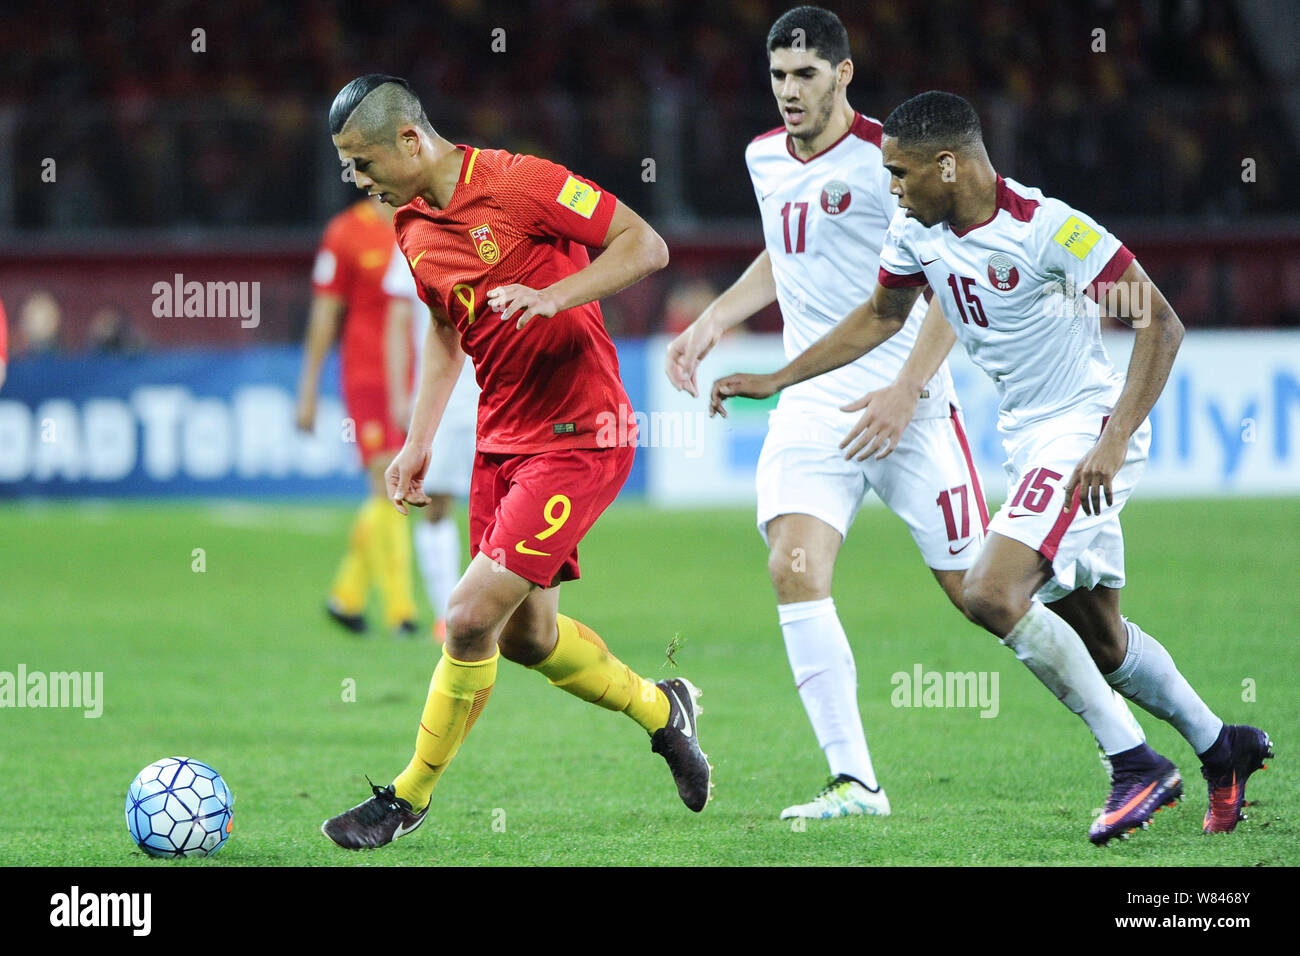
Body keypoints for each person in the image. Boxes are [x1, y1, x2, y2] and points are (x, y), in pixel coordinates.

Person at [711, 90, 1272, 844]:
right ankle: (1219, 744)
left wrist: (1112, 438)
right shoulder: (917, 231)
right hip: (1028, 439)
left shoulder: (1048, 229)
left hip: (1083, 433)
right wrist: (779, 378)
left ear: (948, 164)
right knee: (1102, 638)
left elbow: (1159, 322)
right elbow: (880, 315)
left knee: (989, 590)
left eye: (902, 174)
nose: (893, 191)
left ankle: (1135, 764)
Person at [320, 74, 710, 849]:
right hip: (502, 442)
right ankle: (666, 711)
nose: (356, 182)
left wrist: (557, 296)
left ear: (409, 139)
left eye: (361, 164)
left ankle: (406, 797)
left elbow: (646, 245)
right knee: (527, 638)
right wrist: (419, 437)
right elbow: (443, 328)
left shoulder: (521, 183)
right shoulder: (410, 224)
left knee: (466, 620)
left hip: (580, 433)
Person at [667, 5, 984, 820]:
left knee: (987, 594)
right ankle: (857, 782)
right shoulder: (763, 157)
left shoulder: (893, 160)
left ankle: (1128, 743)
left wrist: (908, 387)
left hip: (908, 402)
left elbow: (951, 277)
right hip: (812, 403)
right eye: (778, 75)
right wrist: (714, 320)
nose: (789, 91)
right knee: (792, 566)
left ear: (843, 74)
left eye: (806, 74)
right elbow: (787, 248)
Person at [297, 196, 419, 637]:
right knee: (388, 484)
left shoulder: (430, 217)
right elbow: (325, 314)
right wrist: (308, 390)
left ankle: (347, 596)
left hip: (422, 373)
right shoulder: (345, 232)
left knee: (399, 489)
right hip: (368, 377)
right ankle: (401, 612)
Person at [382, 241, 480, 642]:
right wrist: (399, 395)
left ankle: (510, 611)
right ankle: (448, 613)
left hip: (504, 386)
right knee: (435, 501)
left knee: (511, 499)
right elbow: (397, 318)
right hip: (446, 397)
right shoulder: (411, 234)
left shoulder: (491, 218)